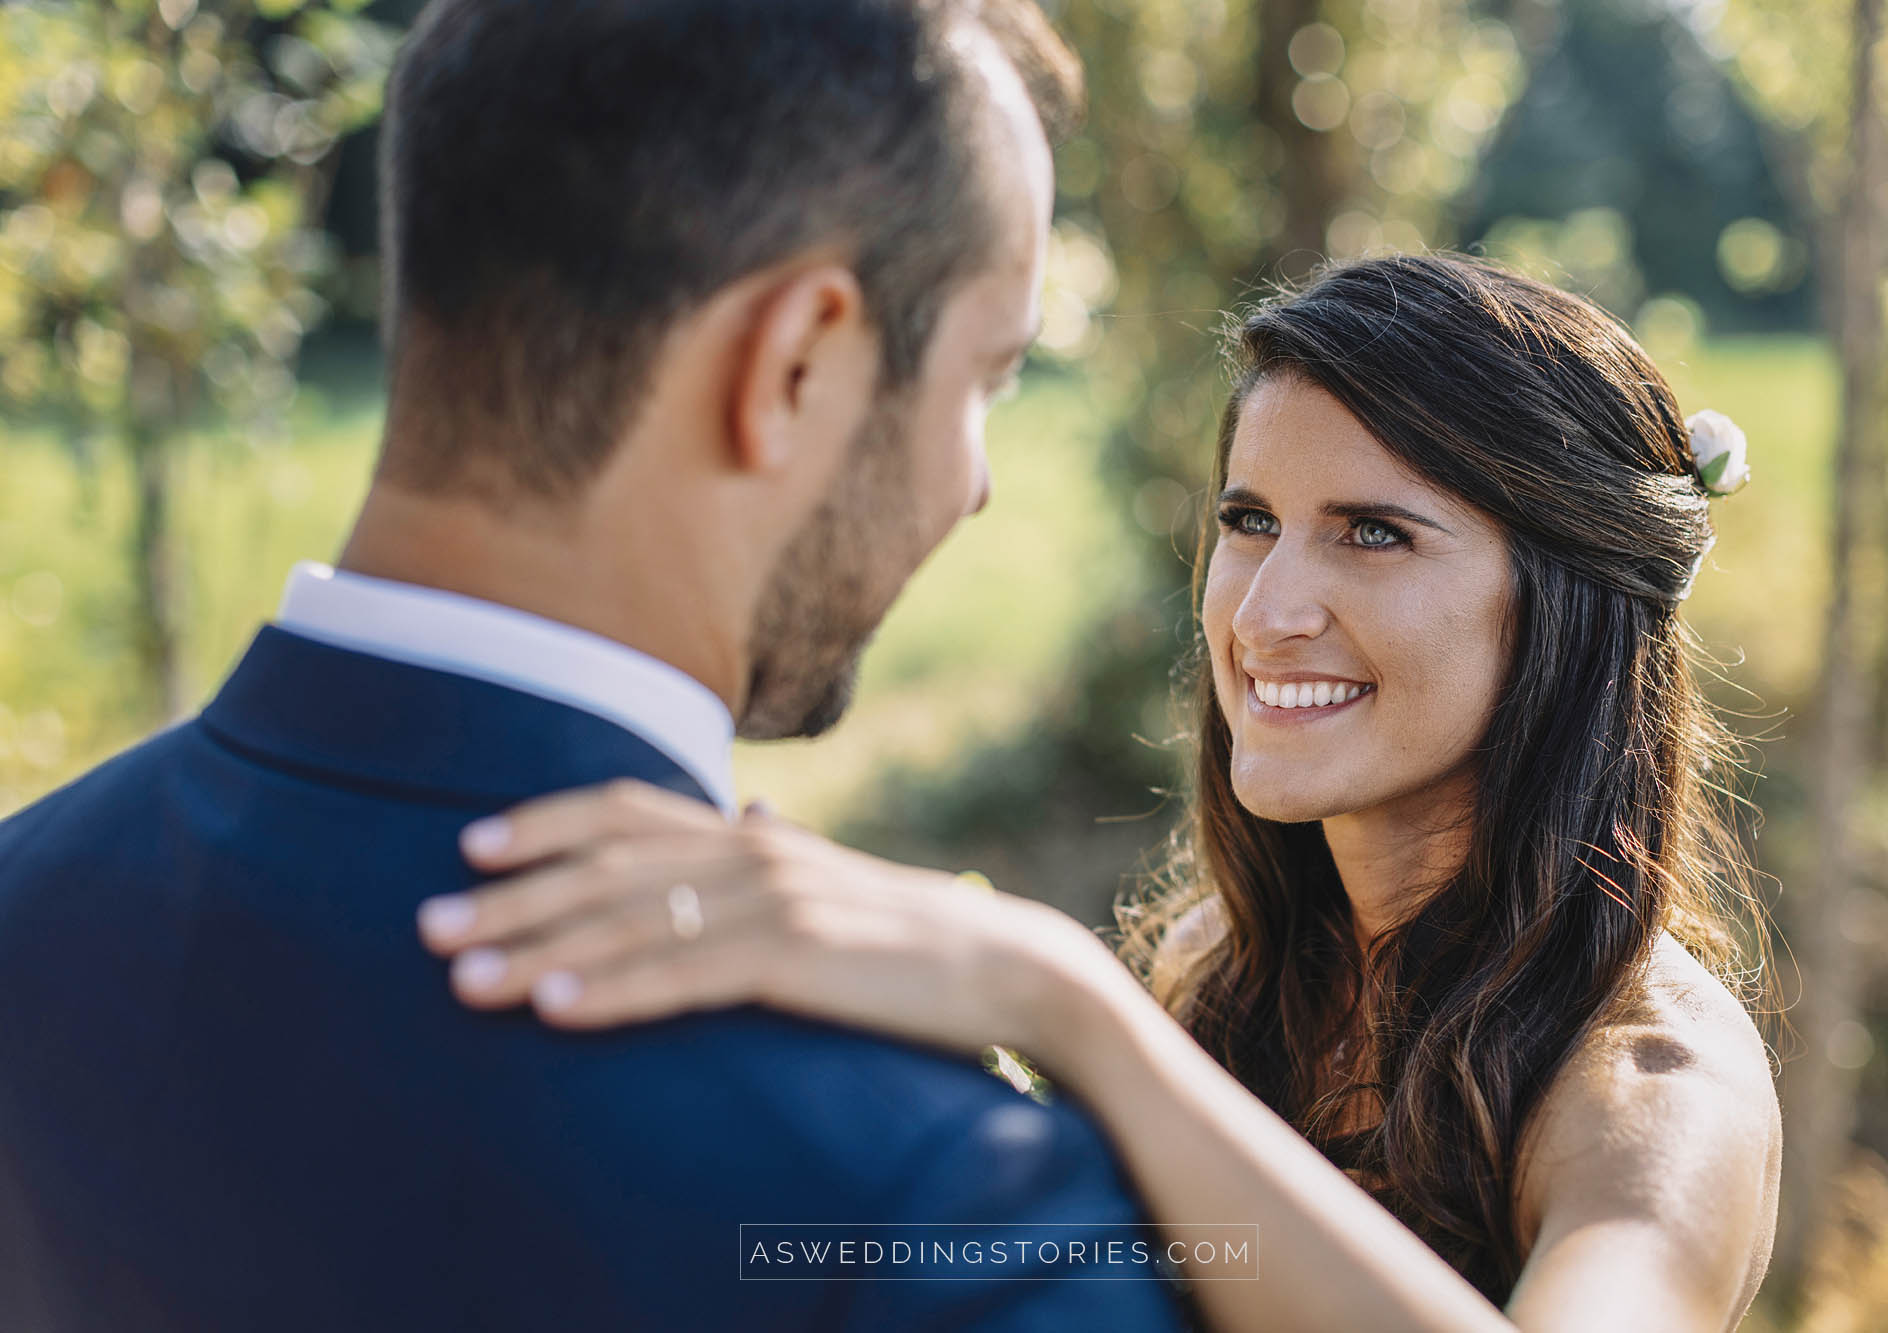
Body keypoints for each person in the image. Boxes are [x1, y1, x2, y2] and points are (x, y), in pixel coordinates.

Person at [0, 2, 1193, 1329]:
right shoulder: (936, 1199)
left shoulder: (24, 906)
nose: (975, 485)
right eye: (989, 378)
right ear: (795, 363)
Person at [417, 254, 1787, 1332]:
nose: (1266, 608)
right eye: (1248, 520)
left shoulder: (1653, 1087)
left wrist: (1066, 1006)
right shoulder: (1222, 971)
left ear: (1567, 604)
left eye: (1373, 533)